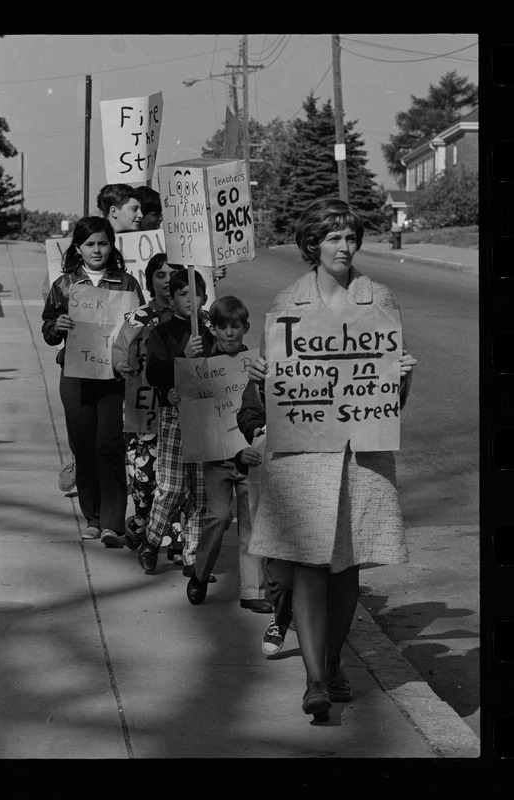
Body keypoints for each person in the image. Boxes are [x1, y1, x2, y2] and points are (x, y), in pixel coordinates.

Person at [246, 198, 417, 720]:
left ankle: (335, 660)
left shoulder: (377, 297)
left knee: (347, 562)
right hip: (303, 452)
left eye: (350, 237)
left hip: (360, 451)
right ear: (312, 245)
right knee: (308, 561)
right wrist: (261, 378)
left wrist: (403, 374)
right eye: (333, 238)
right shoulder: (288, 301)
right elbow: (274, 394)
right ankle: (316, 680)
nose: (344, 247)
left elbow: (393, 398)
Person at [41, 216, 144, 546]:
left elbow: (141, 327)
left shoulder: (126, 284)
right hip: (75, 376)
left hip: (112, 376)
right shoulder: (65, 285)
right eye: (89, 244)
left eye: (102, 243)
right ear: (78, 248)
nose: (96, 249)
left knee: (109, 445)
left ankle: (114, 521)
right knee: (83, 446)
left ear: (112, 245)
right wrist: (57, 325)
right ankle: (94, 517)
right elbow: (48, 331)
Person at [183, 296, 273, 614]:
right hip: (218, 459)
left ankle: (252, 590)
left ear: (246, 327)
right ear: (214, 329)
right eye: (222, 327)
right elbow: (189, 400)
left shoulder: (256, 364)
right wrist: (185, 365)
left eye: (236, 326)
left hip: (250, 456)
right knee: (219, 517)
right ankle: (200, 573)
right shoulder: (204, 364)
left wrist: (256, 444)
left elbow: (263, 408)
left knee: (251, 523)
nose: (230, 333)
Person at [137, 268, 213, 575]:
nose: (189, 300)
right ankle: (152, 541)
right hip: (174, 416)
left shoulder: (211, 333)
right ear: (173, 298)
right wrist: (182, 356)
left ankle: (193, 556)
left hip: (206, 419)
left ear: (204, 298)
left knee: (199, 491)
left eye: (195, 294)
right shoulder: (164, 333)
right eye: (182, 294)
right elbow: (153, 374)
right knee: (170, 486)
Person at [112, 252, 181, 552]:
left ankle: (181, 542)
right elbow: (118, 348)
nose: (167, 281)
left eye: (172, 275)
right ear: (150, 281)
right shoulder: (137, 318)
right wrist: (119, 365)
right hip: (144, 413)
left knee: (180, 479)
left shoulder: (195, 319)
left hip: (182, 414)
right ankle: (141, 518)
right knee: (144, 478)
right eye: (160, 275)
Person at [236, 379, 294, 650]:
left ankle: (327, 665)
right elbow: (250, 409)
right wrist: (258, 430)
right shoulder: (266, 368)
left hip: (321, 463)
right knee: (275, 544)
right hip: (274, 459)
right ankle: (281, 617)